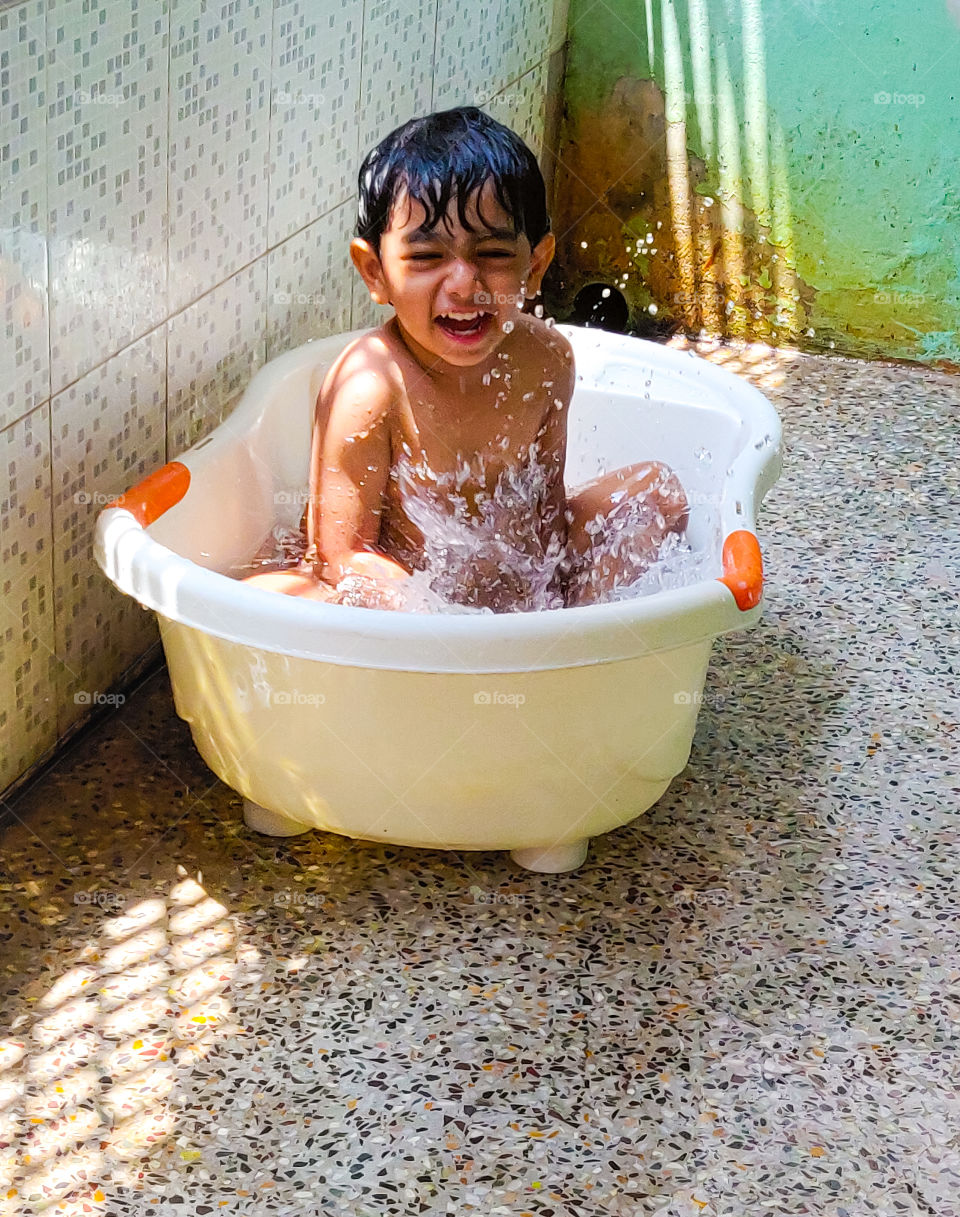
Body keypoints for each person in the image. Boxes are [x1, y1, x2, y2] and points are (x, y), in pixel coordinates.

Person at [241, 106, 688, 612]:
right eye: (427, 257)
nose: (464, 285)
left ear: (535, 265)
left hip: (505, 585)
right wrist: (447, 621)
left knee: (659, 492)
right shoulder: (370, 387)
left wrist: (544, 608)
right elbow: (342, 556)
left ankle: (582, 637)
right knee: (265, 596)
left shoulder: (546, 359)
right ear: (374, 272)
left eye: (494, 254)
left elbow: (544, 517)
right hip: (406, 600)